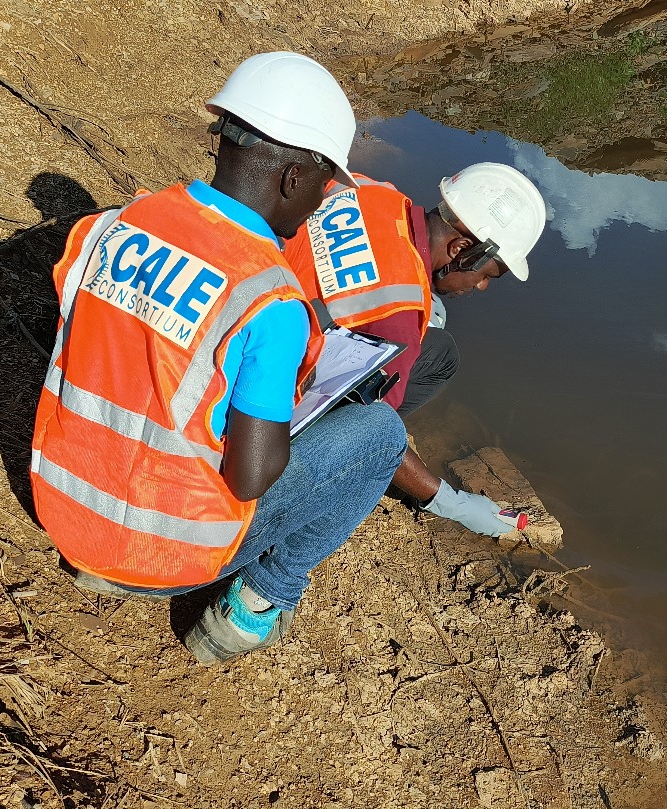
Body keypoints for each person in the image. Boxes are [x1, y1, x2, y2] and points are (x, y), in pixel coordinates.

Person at [29, 52, 408, 666]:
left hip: (65, 512)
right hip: (160, 554)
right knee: (380, 433)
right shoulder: (270, 299)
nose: (320, 203)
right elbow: (250, 477)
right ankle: (251, 609)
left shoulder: (112, 225)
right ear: (293, 178)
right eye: (324, 186)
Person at [283, 163, 547, 537]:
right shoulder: (398, 319)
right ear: (461, 249)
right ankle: (270, 583)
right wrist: (452, 503)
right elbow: (373, 434)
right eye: (488, 275)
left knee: (440, 349)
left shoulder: (375, 189)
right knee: (373, 434)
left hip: (261, 305)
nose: (482, 287)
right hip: (264, 401)